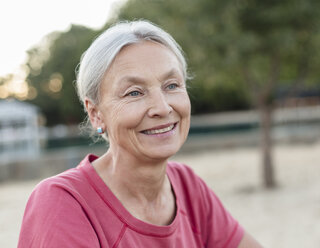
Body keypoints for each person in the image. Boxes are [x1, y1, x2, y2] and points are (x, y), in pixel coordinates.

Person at [18, 20, 262, 248]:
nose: (162, 107)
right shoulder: (63, 202)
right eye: (134, 92)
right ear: (96, 114)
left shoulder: (188, 186)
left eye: (172, 85)